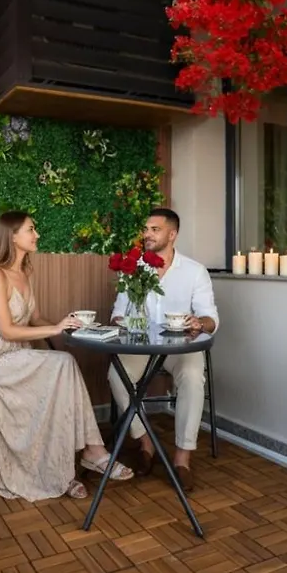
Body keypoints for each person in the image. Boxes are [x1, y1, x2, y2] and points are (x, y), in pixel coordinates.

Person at [0, 211, 134, 501]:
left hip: (19, 354)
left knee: (62, 374)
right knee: (64, 364)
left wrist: (72, 327)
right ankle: (92, 453)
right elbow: (7, 330)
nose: (37, 235)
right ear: (12, 236)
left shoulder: (25, 273)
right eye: (31, 229)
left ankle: (65, 467)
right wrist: (56, 328)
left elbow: (35, 319)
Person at [108, 208, 218, 492]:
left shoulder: (194, 271)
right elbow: (117, 314)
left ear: (172, 234)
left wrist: (200, 323)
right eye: (145, 229)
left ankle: (182, 458)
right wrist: (123, 321)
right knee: (116, 375)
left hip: (180, 346)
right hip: (140, 346)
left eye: (154, 229)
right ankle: (146, 442)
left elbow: (211, 318)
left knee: (193, 377)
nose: (147, 234)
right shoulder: (132, 268)